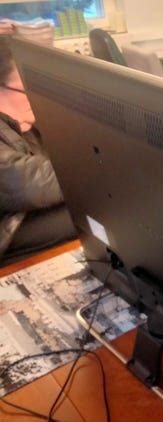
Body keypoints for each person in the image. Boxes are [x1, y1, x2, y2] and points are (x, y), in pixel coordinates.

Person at [0, 33, 76, 266]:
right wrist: (94, 173)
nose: (34, 99)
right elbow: (25, 183)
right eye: (26, 91)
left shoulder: (18, 123)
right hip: (8, 227)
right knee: (98, 215)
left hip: (22, 214)